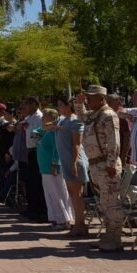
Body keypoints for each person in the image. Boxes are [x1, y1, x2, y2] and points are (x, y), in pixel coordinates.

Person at [76, 85, 124, 252]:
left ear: (101, 98)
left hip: (105, 165)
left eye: (90, 97)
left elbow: (114, 142)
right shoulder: (95, 115)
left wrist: (111, 164)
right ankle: (108, 235)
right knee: (102, 203)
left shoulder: (108, 115)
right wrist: (78, 103)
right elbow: (81, 116)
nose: (88, 100)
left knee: (111, 203)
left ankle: (115, 238)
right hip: (95, 164)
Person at [55, 97, 89, 237]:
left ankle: (80, 224)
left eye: (60, 104)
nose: (58, 108)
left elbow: (77, 144)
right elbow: (45, 125)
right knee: (72, 194)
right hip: (65, 161)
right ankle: (79, 224)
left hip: (74, 161)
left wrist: (74, 163)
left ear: (69, 106)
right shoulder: (62, 120)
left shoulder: (75, 121)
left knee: (77, 194)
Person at [35, 108, 73, 230]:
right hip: (44, 167)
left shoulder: (54, 132)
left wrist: (55, 163)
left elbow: (57, 148)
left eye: (44, 116)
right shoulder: (46, 131)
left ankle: (63, 219)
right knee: (50, 194)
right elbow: (36, 131)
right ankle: (55, 218)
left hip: (52, 167)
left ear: (51, 118)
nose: (42, 118)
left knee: (58, 193)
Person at [18, 96, 47, 221]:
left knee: (38, 182)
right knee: (31, 182)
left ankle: (41, 211)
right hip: (29, 151)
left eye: (27, 105)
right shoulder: (29, 117)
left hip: (37, 150)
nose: (25, 108)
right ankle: (33, 208)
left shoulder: (39, 117)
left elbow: (41, 134)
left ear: (34, 105)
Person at [106, 94, 132, 165]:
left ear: (118, 102)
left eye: (109, 101)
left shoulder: (121, 115)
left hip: (121, 158)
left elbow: (128, 136)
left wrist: (124, 157)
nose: (107, 103)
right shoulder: (109, 114)